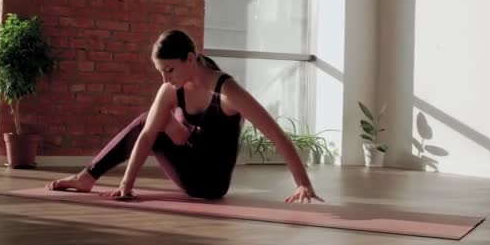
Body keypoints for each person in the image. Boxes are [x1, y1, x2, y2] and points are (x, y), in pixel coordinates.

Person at [46, 29, 323, 204]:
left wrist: (303, 183)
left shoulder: (227, 91)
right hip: (188, 164)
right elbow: (146, 136)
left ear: (190, 59)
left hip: (210, 184)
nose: (165, 78)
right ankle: (88, 177)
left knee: (152, 119)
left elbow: (275, 133)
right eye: (160, 72)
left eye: (169, 70)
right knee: (152, 121)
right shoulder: (171, 89)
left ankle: (86, 177)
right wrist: (125, 186)